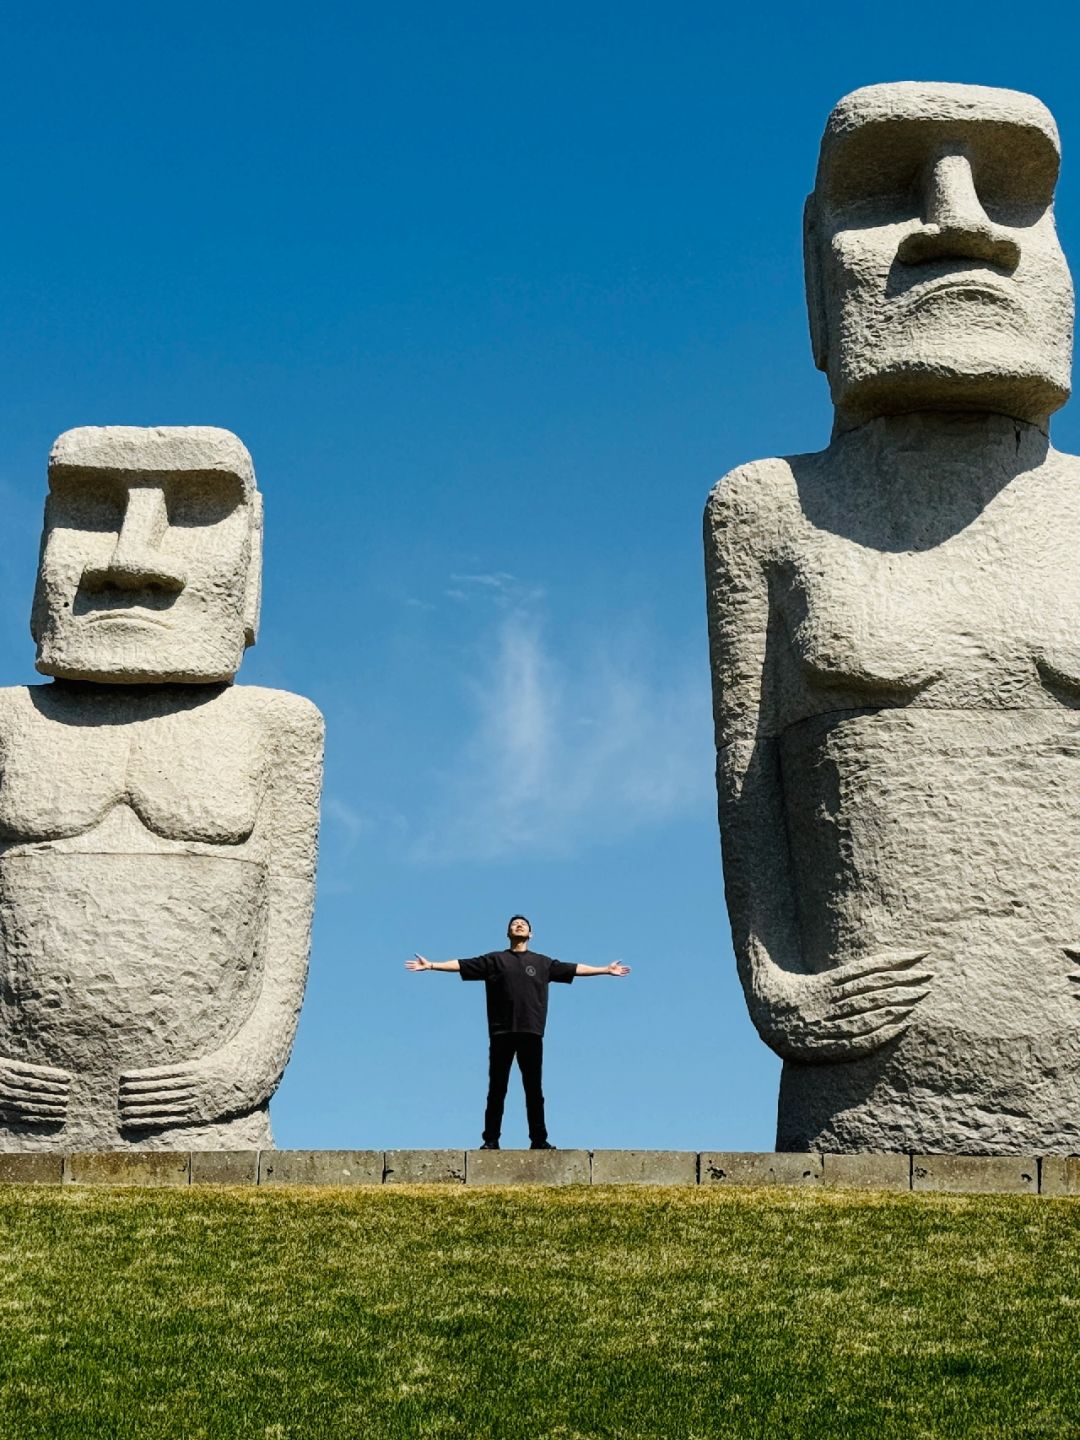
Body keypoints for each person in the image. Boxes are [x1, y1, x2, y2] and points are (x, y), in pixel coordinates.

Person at [406, 915, 630, 1148]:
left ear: (530, 934)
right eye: (514, 924)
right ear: (508, 933)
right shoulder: (495, 960)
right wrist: (431, 965)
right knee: (497, 1089)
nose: (519, 925)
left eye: (523, 924)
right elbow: (462, 964)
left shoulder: (543, 963)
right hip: (501, 1032)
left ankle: (539, 1141)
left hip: (531, 1032)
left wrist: (605, 969)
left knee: (534, 1090)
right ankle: (491, 1141)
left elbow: (573, 968)